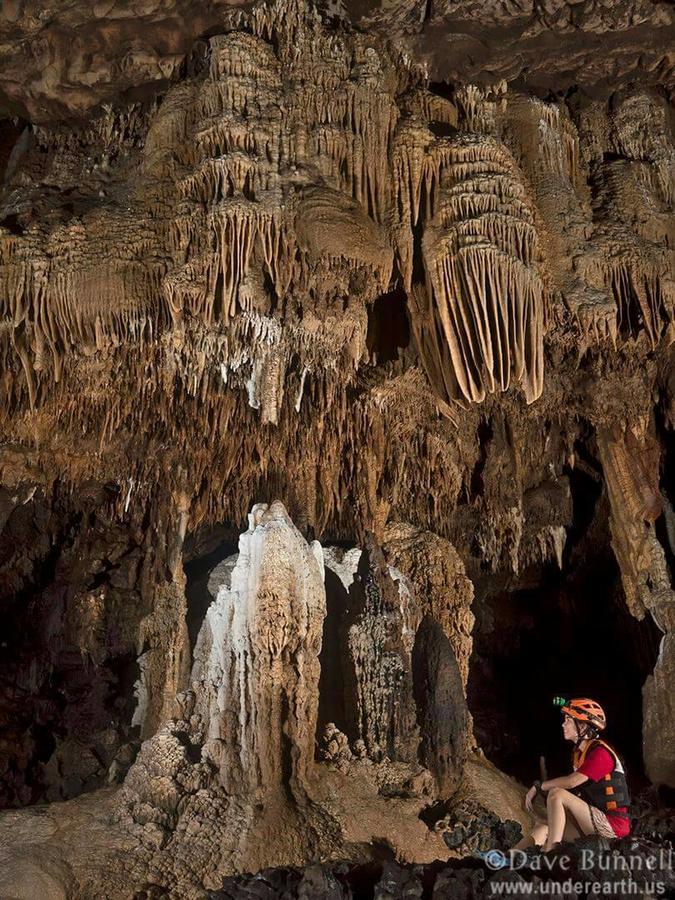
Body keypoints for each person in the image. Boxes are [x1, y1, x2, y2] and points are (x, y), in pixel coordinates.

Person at [518, 697, 631, 852]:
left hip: (612, 827)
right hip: (592, 823)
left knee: (557, 793)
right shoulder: (579, 754)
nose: (563, 724)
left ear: (583, 725)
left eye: (568, 720)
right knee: (544, 826)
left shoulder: (601, 753)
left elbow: (572, 782)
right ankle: (505, 859)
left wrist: (539, 787)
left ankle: (551, 852)